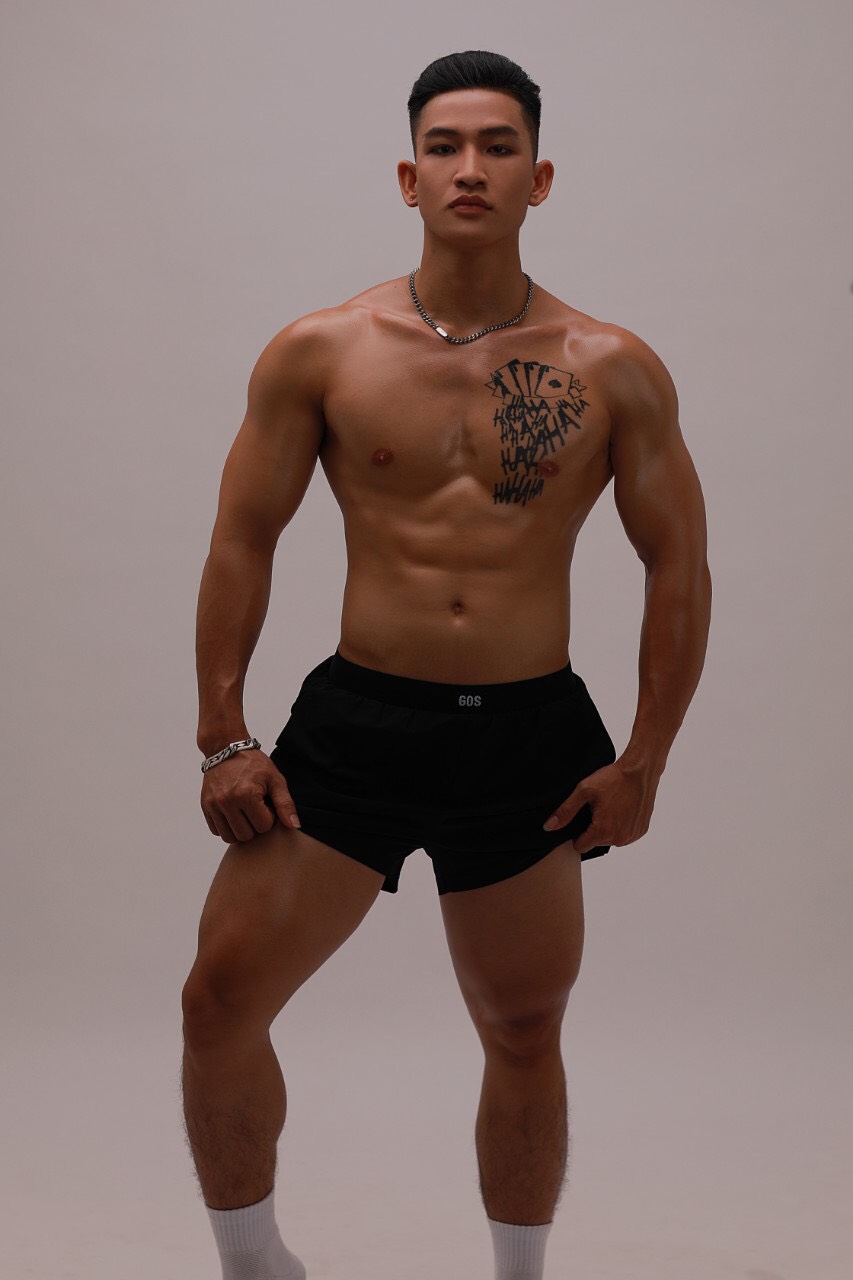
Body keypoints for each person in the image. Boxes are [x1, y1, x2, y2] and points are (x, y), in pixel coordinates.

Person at [181, 49, 711, 1280]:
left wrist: (645, 759)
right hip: (360, 721)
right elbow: (242, 538)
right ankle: (255, 1265)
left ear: (539, 177)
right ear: (408, 175)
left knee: (522, 1027)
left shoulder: (610, 365)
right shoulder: (321, 349)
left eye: (498, 146)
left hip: (526, 734)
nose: (470, 167)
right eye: (446, 146)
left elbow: (677, 565)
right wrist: (223, 733)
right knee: (219, 1001)